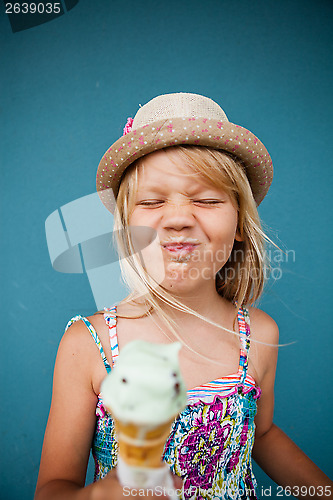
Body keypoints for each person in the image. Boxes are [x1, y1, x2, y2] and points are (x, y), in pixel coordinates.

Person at [35, 93, 332, 500]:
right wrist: (99, 495)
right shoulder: (90, 344)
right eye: (153, 202)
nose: (177, 218)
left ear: (241, 223)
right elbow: (52, 490)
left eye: (207, 200)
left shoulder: (258, 334)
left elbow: (261, 434)